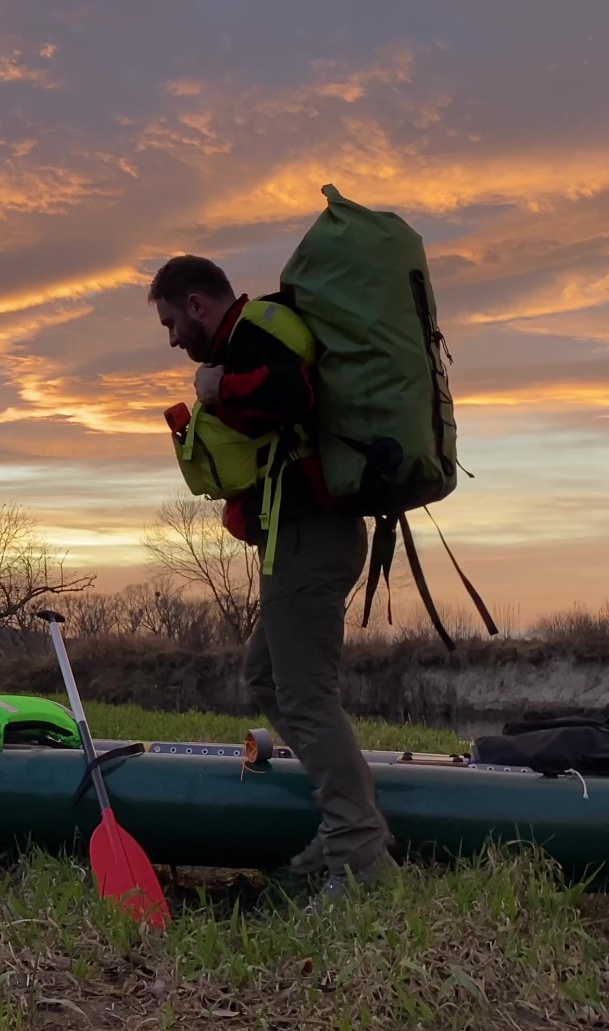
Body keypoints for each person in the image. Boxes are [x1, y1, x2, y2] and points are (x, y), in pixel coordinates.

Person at [147, 254, 393, 900]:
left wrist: (216, 389)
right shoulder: (254, 334)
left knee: (307, 695)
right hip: (300, 538)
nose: (174, 339)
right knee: (264, 676)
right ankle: (345, 828)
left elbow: (291, 395)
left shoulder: (260, 328)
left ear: (199, 305)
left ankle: (358, 851)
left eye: (172, 322)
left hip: (313, 537)